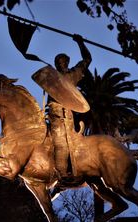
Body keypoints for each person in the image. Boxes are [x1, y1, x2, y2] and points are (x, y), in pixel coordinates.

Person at [47, 34, 92, 178]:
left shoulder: (74, 73)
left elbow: (87, 59)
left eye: (63, 61)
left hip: (65, 112)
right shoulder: (52, 77)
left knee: (61, 140)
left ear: (67, 62)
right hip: (52, 110)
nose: (61, 63)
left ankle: (62, 173)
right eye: (58, 62)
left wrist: (81, 43)